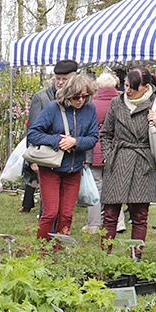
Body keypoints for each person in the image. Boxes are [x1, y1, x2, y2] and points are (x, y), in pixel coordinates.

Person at [99, 67, 156, 253]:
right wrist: (108, 155)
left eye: (132, 87)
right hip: (118, 161)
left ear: (146, 87)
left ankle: (135, 259)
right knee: (110, 214)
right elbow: (106, 133)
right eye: (126, 85)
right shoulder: (116, 103)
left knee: (140, 216)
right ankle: (104, 258)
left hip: (143, 163)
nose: (127, 90)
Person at [27, 73, 99, 239]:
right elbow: (33, 134)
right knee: (51, 213)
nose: (80, 100)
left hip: (74, 170)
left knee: (66, 215)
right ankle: (43, 252)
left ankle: (58, 254)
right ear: (68, 94)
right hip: (51, 168)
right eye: (76, 97)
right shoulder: (53, 109)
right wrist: (57, 140)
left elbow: (93, 137)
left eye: (84, 96)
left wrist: (75, 142)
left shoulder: (90, 109)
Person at [21, 59, 78, 213]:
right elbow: (32, 130)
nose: (60, 82)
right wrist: (32, 160)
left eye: (64, 79)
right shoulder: (41, 98)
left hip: (70, 157)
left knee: (65, 203)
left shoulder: (78, 98)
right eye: (57, 78)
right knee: (48, 203)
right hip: (47, 156)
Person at [82, 71, 120, 234]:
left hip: (95, 149)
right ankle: (118, 222)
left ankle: (94, 224)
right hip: (116, 149)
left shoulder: (92, 105)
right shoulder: (121, 102)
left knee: (95, 187)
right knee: (116, 187)